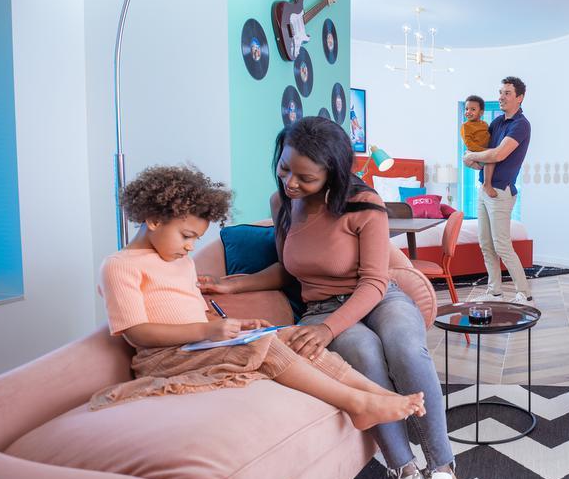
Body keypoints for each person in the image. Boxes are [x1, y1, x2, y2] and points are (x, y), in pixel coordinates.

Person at [199, 118, 463, 479]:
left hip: (378, 297)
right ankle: (407, 475)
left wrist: (327, 329)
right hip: (321, 307)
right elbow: (290, 269)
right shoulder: (282, 203)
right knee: (364, 353)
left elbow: (374, 281)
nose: (291, 183)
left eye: (305, 177)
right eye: (285, 168)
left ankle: (443, 472)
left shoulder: (363, 204)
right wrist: (234, 285)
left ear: (333, 173)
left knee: (403, 346)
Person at [93, 164, 425, 434]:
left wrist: (235, 327)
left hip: (197, 346)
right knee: (265, 346)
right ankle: (358, 404)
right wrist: (207, 331)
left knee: (291, 337)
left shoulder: (180, 261)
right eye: (186, 236)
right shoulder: (120, 266)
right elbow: (137, 333)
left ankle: (377, 393)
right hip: (163, 358)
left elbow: (200, 317)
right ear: (153, 221)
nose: (190, 247)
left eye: (195, 239)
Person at [463, 76, 532, 303]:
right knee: (486, 244)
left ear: (520, 98)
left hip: (501, 191)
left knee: (502, 245)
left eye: (507, 93)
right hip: (484, 189)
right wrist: (472, 160)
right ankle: (495, 291)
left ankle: (525, 294)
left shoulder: (521, 125)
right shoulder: (496, 123)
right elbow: (486, 158)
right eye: (500, 92)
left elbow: (498, 154)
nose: (501, 97)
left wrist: (472, 156)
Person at [460, 94, 497, 198]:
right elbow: (469, 143)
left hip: (483, 151)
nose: (468, 112)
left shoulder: (484, 124)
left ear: (481, 112)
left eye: (473, 109)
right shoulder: (465, 126)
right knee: (491, 160)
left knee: (491, 160)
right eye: (466, 109)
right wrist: (484, 151)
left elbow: (488, 137)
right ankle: (487, 184)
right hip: (475, 152)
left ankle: (480, 168)